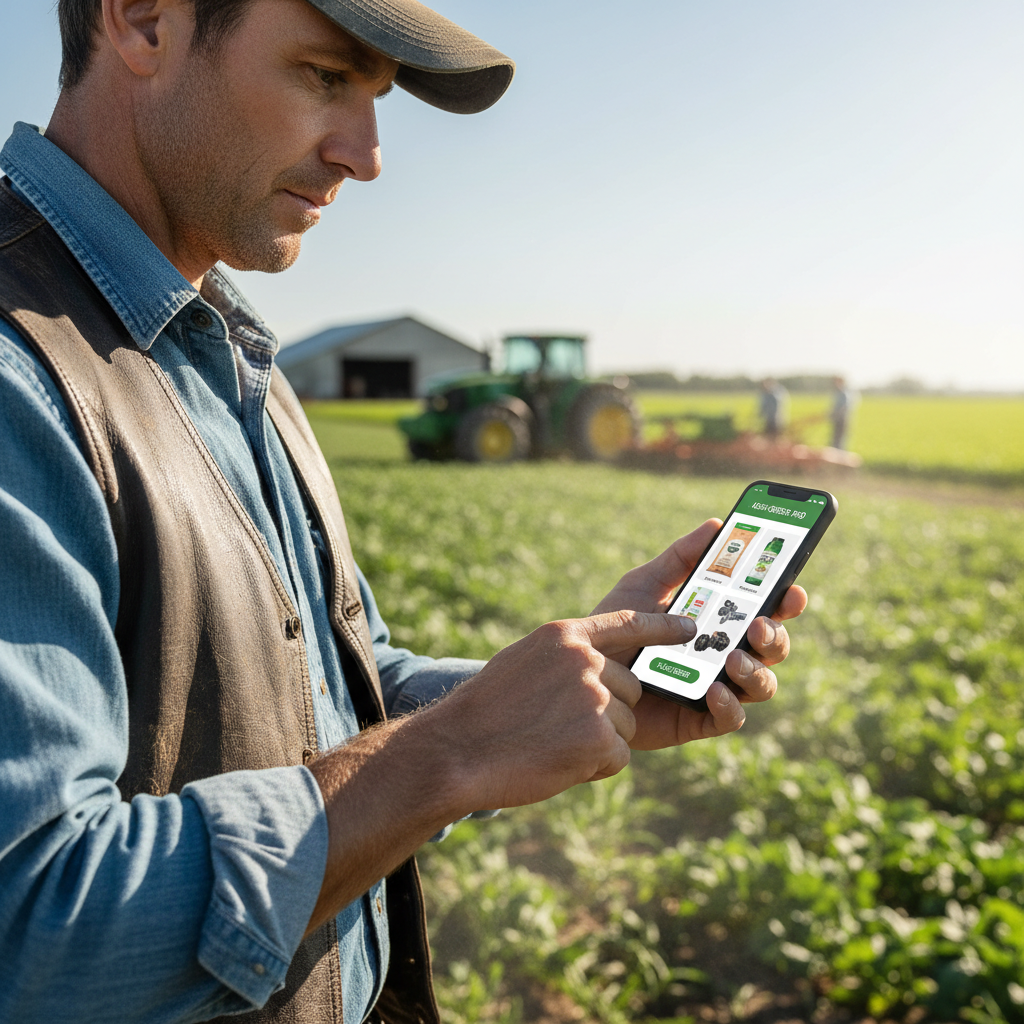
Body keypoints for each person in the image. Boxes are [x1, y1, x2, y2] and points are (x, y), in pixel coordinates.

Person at [0, 0, 808, 1021]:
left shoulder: (233, 352)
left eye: (375, 99)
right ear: (146, 21)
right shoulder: (16, 375)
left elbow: (342, 686)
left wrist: (576, 691)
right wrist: (451, 752)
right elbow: (32, 933)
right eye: (324, 77)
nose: (366, 156)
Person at [829, 375, 857, 450]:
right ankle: (835, 453)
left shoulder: (844, 393)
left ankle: (840, 455)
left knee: (839, 439)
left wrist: (836, 413)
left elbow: (845, 407)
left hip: (842, 419)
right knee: (835, 438)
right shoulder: (838, 392)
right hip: (837, 419)